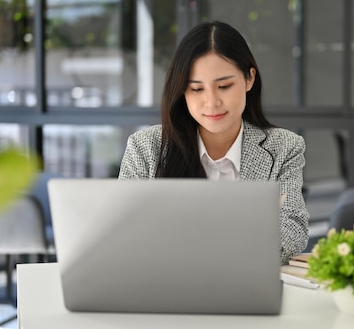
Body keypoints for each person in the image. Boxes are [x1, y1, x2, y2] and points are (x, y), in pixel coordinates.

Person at [118, 20, 309, 264]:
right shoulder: (145, 147)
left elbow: (293, 228)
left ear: (249, 79)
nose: (211, 102)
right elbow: (125, 232)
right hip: (167, 287)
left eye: (224, 86)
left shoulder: (284, 147)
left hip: (245, 285)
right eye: (197, 89)